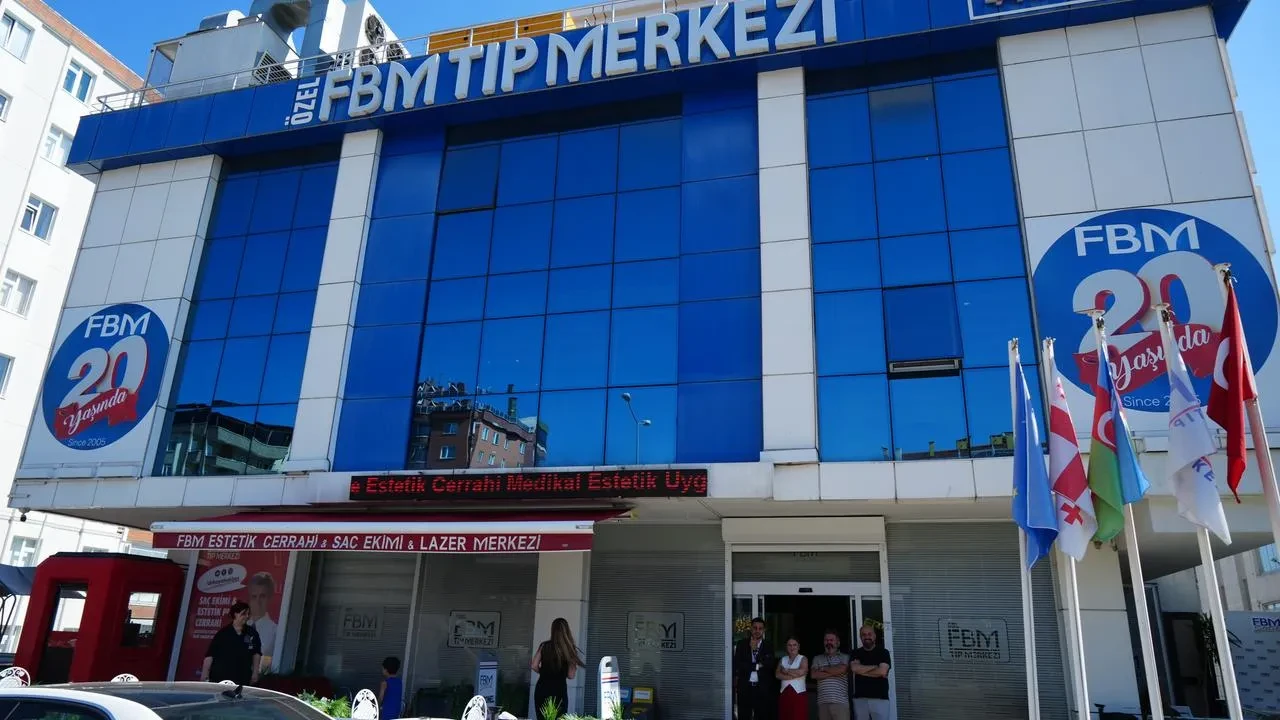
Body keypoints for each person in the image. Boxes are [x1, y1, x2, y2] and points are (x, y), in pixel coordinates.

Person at [531, 617, 583, 720]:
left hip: (542, 688)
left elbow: (534, 665)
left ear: (553, 630)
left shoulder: (544, 646)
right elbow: (571, 675)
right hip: (559, 690)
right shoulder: (570, 649)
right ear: (567, 631)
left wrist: (544, 672)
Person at [200, 602, 261, 686]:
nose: (247, 616)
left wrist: (255, 672)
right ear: (235, 614)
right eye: (243, 614)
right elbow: (210, 655)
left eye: (248, 614)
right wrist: (205, 674)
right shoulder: (223, 633)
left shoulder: (252, 633)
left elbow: (256, 654)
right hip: (221, 676)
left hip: (242, 677)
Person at [732, 617, 775, 720]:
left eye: (760, 628)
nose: (757, 631)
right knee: (744, 716)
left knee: (762, 716)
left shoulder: (768, 645)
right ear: (751, 629)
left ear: (764, 630)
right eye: (755, 628)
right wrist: (757, 666)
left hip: (762, 688)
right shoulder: (742, 644)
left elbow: (769, 664)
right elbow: (739, 664)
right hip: (745, 687)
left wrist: (755, 650)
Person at [850, 625, 891, 720]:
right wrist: (875, 667)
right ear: (860, 637)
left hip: (880, 699)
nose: (867, 637)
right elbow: (854, 668)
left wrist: (861, 670)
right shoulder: (856, 653)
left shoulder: (884, 652)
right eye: (863, 634)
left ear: (875, 636)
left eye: (869, 634)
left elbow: (882, 671)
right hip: (860, 699)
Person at [809, 630, 850, 720]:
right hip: (823, 703)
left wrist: (823, 669)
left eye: (831, 640)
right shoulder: (817, 658)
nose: (829, 643)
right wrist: (835, 672)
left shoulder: (845, 657)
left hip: (840, 703)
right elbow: (814, 675)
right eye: (826, 640)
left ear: (838, 643)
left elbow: (843, 670)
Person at [247, 572, 277, 665]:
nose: (258, 601)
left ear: (270, 598)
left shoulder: (275, 632)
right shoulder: (238, 627)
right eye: (254, 596)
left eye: (262, 596)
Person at [775, 637, 808, 720]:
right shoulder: (783, 659)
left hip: (798, 694)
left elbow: (802, 671)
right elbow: (777, 675)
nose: (792, 647)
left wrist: (785, 671)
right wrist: (792, 676)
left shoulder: (803, 658)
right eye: (789, 645)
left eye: (794, 645)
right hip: (784, 693)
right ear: (786, 647)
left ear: (798, 646)